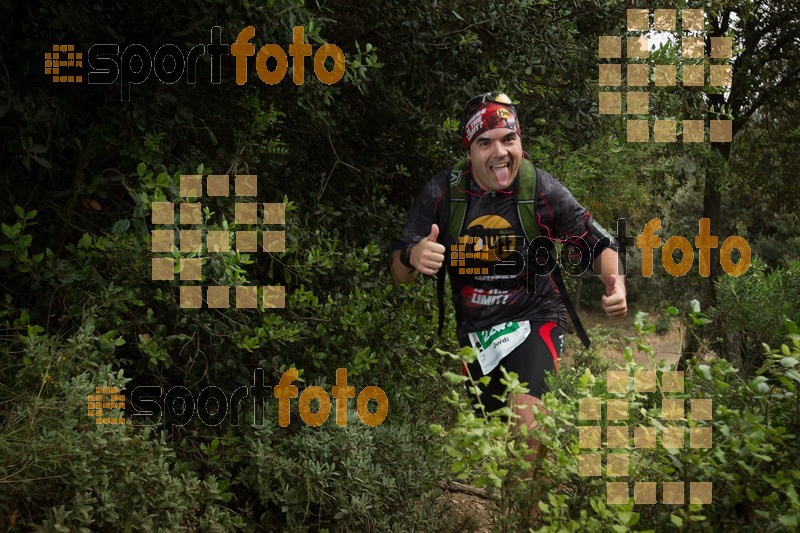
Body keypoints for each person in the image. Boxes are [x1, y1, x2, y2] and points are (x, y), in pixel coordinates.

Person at [388, 92, 628, 518]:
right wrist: (413, 257)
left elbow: (597, 243)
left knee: (527, 428)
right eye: (486, 143)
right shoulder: (443, 193)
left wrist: (615, 280)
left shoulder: (541, 189)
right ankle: (542, 513)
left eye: (508, 140)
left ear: (520, 142)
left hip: (536, 317)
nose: (499, 152)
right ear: (470, 151)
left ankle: (521, 523)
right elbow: (398, 267)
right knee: (513, 447)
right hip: (477, 335)